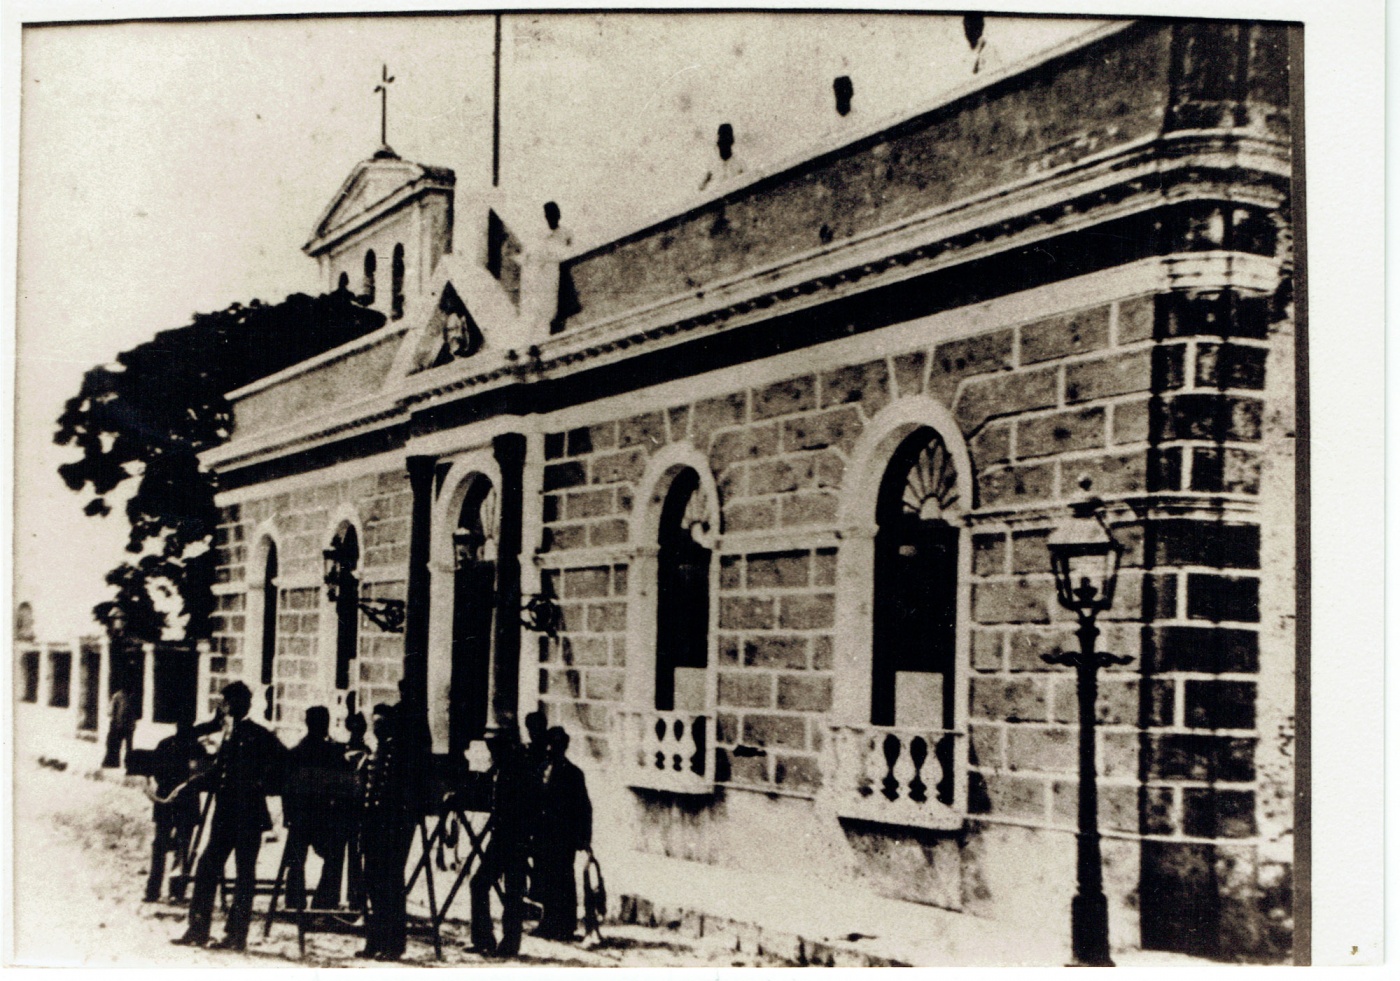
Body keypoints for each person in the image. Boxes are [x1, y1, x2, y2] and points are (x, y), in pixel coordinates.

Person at [172, 681, 287, 951]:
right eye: (224, 702)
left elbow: (284, 763)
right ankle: (198, 929)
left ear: (242, 703)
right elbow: (220, 771)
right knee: (207, 867)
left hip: (248, 816)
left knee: (244, 874)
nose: (224, 707)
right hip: (226, 815)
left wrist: (261, 784)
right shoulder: (230, 732)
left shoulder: (259, 734)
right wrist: (192, 784)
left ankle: (236, 935)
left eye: (228, 702)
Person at [358, 703, 418, 961]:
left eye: (382, 725)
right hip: (373, 825)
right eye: (375, 725)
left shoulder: (399, 753)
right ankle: (374, 941)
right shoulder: (376, 752)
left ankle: (394, 945)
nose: (377, 729)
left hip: (392, 828)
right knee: (372, 882)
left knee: (390, 884)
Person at [469, 728, 532, 958]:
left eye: (494, 749)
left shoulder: (517, 770)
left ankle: (507, 943)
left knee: (510, 891)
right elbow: (483, 784)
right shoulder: (502, 767)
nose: (492, 753)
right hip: (502, 839)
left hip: (514, 840)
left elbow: (528, 807)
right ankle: (486, 940)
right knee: (482, 885)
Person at [282, 706, 352, 910]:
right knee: (335, 853)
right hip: (322, 820)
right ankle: (324, 901)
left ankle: (295, 902)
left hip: (302, 820)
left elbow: (287, 791)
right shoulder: (334, 753)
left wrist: (289, 817)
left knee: (297, 859)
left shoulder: (296, 752)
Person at [530, 727, 593, 941]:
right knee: (545, 877)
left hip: (564, 836)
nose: (550, 748)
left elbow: (584, 808)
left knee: (564, 879)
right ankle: (547, 923)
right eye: (549, 744)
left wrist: (584, 837)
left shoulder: (574, 774)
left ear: (563, 747)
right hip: (543, 834)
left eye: (556, 745)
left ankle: (566, 926)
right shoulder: (541, 770)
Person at [144, 720, 209, 902]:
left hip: (167, 801)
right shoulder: (196, 748)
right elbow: (202, 774)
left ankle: (153, 891)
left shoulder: (165, 744)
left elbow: (154, 772)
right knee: (181, 847)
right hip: (186, 802)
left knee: (161, 845)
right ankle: (176, 891)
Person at [103, 688, 136, 769]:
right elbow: (110, 712)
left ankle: (128, 764)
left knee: (125, 746)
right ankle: (115, 763)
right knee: (119, 745)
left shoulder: (129, 696)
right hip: (120, 725)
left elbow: (134, 712)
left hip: (124, 725)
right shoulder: (119, 696)